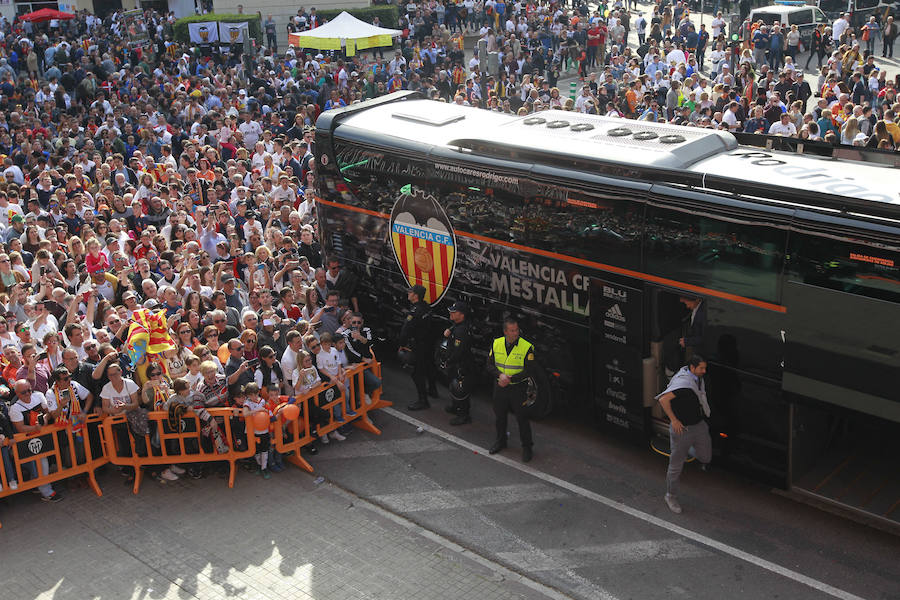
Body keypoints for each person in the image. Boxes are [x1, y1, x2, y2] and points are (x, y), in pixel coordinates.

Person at [655, 355, 712, 514]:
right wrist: (674, 421)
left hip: (698, 426)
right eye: (701, 368)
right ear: (692, 368)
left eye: (704, 368)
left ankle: (688, 447)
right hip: (683, 430)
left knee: (706, 457)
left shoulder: (696, 378)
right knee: (676, 465)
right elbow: (663, 400)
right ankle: (670, 496)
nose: (704, 371)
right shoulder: (683, 383)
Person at [487, 317, 536, 462]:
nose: (516, 333)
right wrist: (500, 375)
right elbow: (489, 365)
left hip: (518, 388)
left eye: (517, 330)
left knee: (522, 418)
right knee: (500, 416)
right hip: (500, 387)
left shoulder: (527, 347)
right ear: (505, 332)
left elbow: (530, 370)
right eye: (512, 330)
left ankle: (527, 447)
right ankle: (501, 441)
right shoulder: (496, 343)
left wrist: (509, 379)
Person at [399, 285, 437, 410]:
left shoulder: (415, 312)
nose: (408, 294)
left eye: (410, 292)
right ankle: (433, 390)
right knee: (429, 366)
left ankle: (423, 400)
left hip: (418, 346)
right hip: (428, 343)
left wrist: (402, 345)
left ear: (415, 295)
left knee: (417, 373)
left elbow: (405, 331)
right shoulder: (427, 308)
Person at [443, 301, 474, 425]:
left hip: (462, 364)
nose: (451, 313)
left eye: (454, 312)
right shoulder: (457, 325)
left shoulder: (462, 330)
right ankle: (456, 406)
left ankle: (464, 415)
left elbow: (458, 352)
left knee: (460, 389)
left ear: (462, 315)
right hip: (456, 363)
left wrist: (448, 361)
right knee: (453, 386)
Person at [678, 296, 706, 361]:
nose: (687, 306)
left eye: (687, 303)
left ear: (697, 300)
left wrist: (687, 341)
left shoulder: (702, 314)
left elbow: (704, 337)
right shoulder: (696, 307)